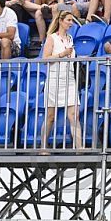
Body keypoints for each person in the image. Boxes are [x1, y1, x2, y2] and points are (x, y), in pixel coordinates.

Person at [40, 11, 83, 153]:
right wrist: (61, 55)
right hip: (54, 80)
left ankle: (79, 147)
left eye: (72, 20)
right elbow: (45, 59)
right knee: (50, 116)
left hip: (69, 78)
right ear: (60, 20)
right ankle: (43, 147)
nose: (71, 23)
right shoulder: (51, 38)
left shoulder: (70, 38)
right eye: (69, 20)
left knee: (74, 114)